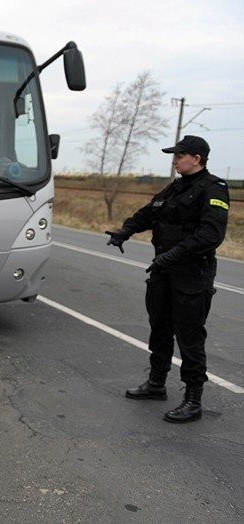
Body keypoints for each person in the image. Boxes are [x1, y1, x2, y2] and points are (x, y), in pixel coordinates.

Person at [105, 135, 229, 423]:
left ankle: (193, 400)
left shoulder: (214, 189)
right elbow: (150, 213)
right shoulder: (175, 188)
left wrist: (171, 257)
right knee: (159, 328)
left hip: (191, 274)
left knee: (190, 336)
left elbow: (211, 235)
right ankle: (156, 383)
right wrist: (125, 231)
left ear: (196, 158)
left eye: (179, 155)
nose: (174, 159)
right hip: (163, 270)